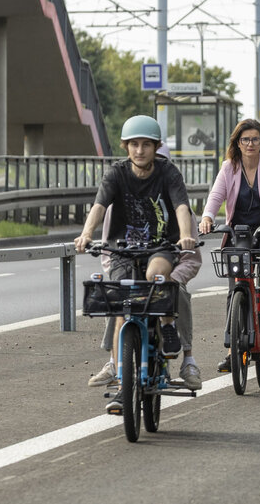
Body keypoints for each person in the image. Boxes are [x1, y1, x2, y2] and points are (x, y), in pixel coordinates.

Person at [74, 115, 199, 413]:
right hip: (123, 250)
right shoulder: (116, 173)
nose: (139, 150)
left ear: (156, 147)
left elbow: (181, 206)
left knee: (157, 276)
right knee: (121, 307)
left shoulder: (168, 172)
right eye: (134, 144)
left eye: (146, 144)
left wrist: (185, 236)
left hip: (160, 247)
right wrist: (86, 234)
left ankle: (167, 327)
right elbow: (99, 206)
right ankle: (121, 384)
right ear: (125, 146)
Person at [199, 118, 260, 372]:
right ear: (238, 143)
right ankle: (232, 351)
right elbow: (216, 195)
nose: (250, 144)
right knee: (235, 287)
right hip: (239, 232)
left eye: (255, 139)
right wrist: (207, 217)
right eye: (245, 139)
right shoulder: (229, 167)